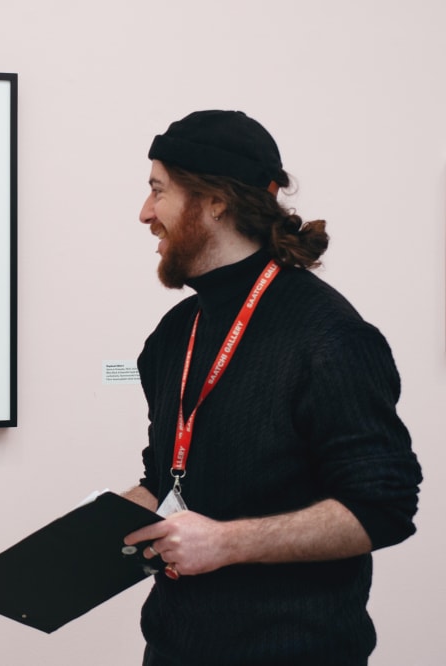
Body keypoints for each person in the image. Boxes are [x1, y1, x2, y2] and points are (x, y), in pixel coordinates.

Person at [120, 110, 422, 665]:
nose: (145, 213)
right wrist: (115, 516)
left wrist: (226, 543)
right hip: (172, 650)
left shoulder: (332, 337)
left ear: (216, 202)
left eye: (157, 191)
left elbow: (385, 506)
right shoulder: (171, 336)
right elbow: (168, 476)